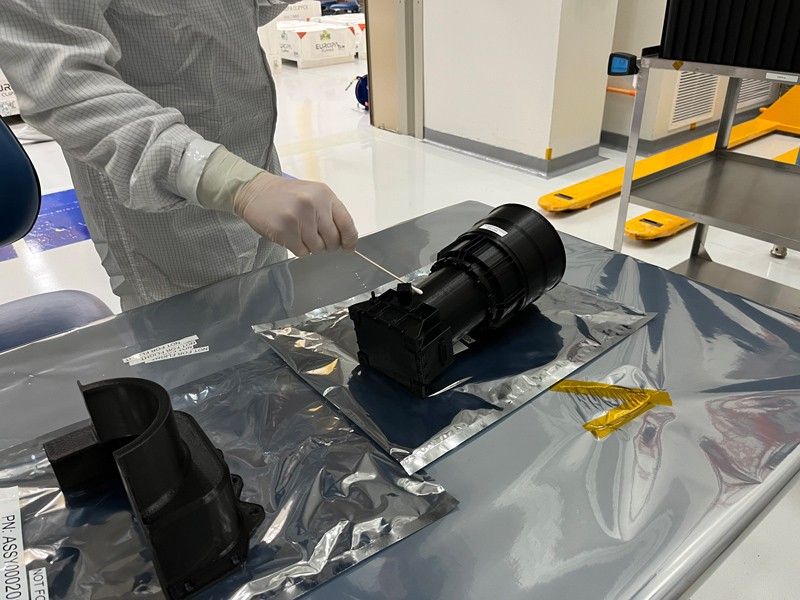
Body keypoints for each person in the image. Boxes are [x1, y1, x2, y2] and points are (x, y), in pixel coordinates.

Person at [0, 0, 358, 310]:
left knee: (270, 316)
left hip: (253, 158)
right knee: (199, 356)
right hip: (162, 202)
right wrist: (234, 183)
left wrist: (251, 184)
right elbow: (64, 85)